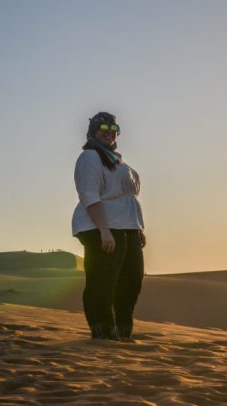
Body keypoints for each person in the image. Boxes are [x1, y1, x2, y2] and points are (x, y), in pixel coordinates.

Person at [71, 112, 146, 341]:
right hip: (101, 228)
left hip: (127, 228)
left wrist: (138, 228)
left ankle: (123, 332)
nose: (109, 131)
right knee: (102, 282)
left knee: (131, 280)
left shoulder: (119, 161)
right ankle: (103, 334)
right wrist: (103, 230)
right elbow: (89, 195)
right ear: (93, 131)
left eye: (113, 127)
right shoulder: (90, 157)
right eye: (102, 127)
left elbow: (128, 198)